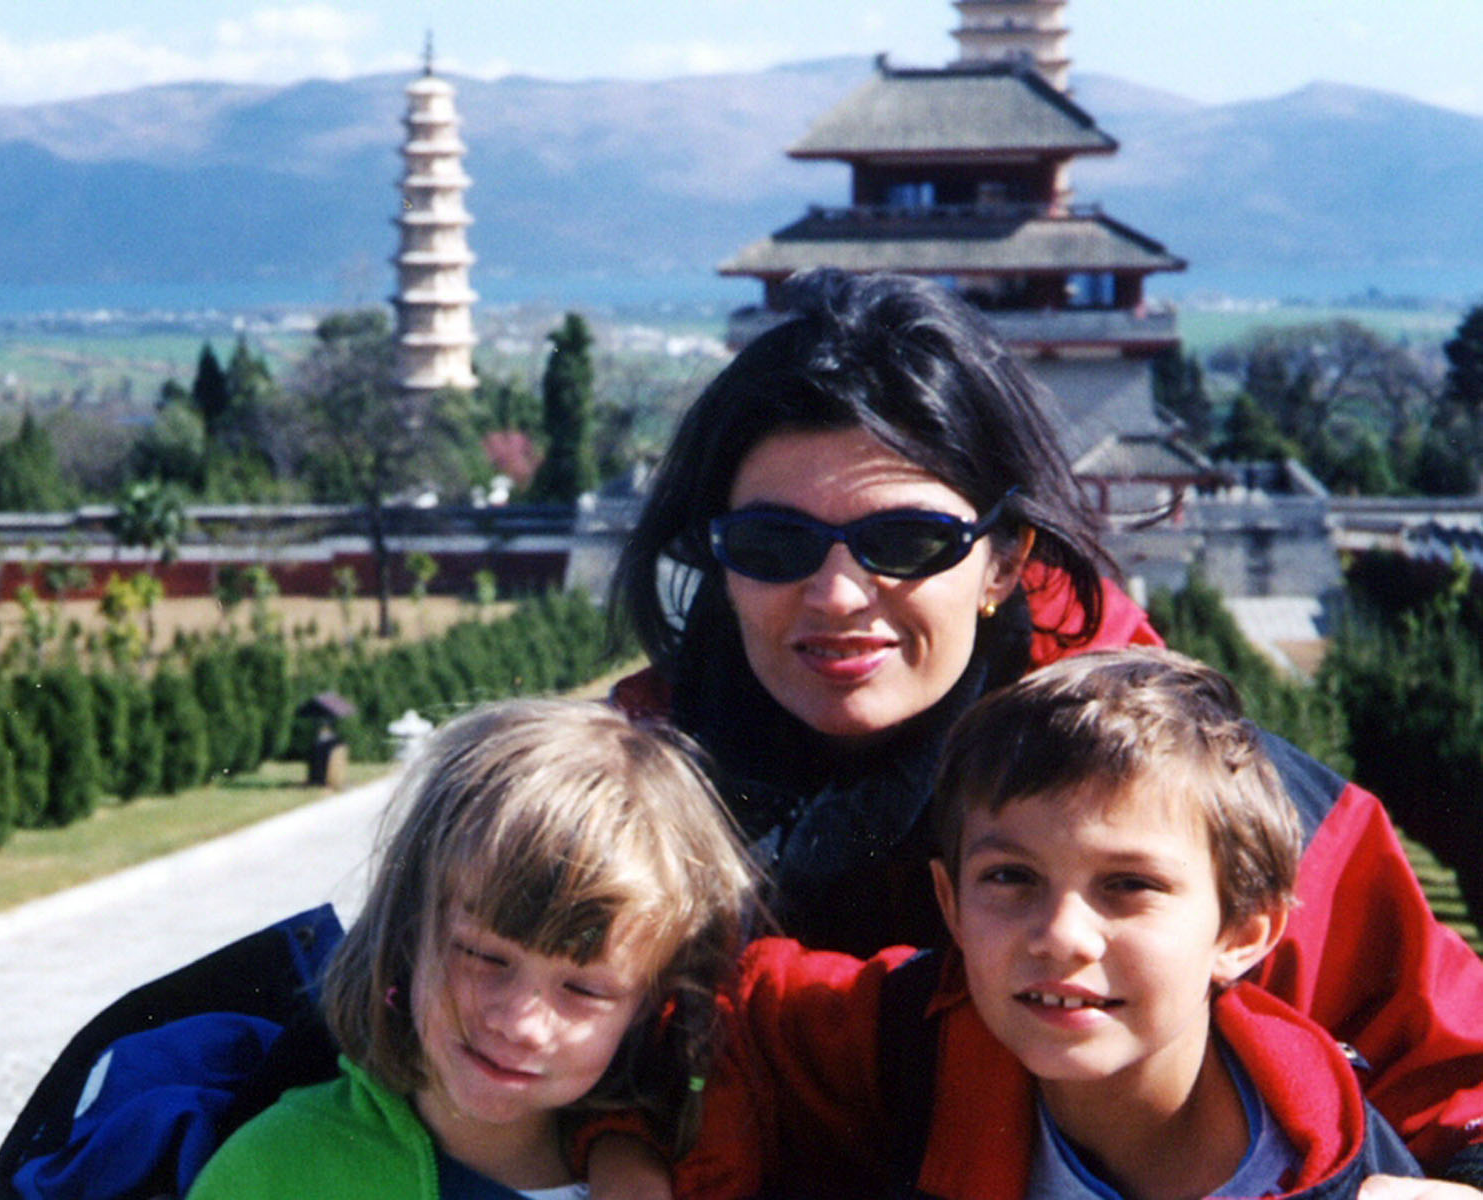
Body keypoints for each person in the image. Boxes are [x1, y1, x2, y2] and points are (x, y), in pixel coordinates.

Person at [606, 268, 1483, 1183]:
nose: (836, 595)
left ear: (1002, 560)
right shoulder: (620, 801)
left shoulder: (1198, 798)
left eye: (906, 542)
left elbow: (1454, 1076)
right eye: (771, 543)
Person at [670, 649, 1430, 1200]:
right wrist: (629, 1152)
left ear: (1243, 935)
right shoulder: (913, 1035)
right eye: (1011, 878)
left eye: (1129, 886)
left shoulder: (1341, 1169)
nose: (1061, 935)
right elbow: (708, 1003)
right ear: (950, 905)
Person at [185, 699, 758, 1200]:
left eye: (584, 989)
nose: (521, 1023)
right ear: (407, 929)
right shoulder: (278, 1169)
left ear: (649, 1002)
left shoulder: (692, 1174)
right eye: (485, 956)